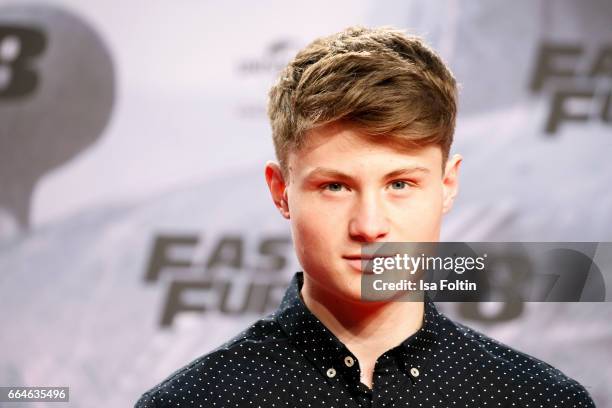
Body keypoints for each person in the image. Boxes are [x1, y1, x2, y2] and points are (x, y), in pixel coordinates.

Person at [135, 26, 595, 407]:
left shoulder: (539, 399)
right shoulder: (192, 401)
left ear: (447, 186)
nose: (370, 226)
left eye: (400, 184)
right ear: (281, 192)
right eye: (335, 186)